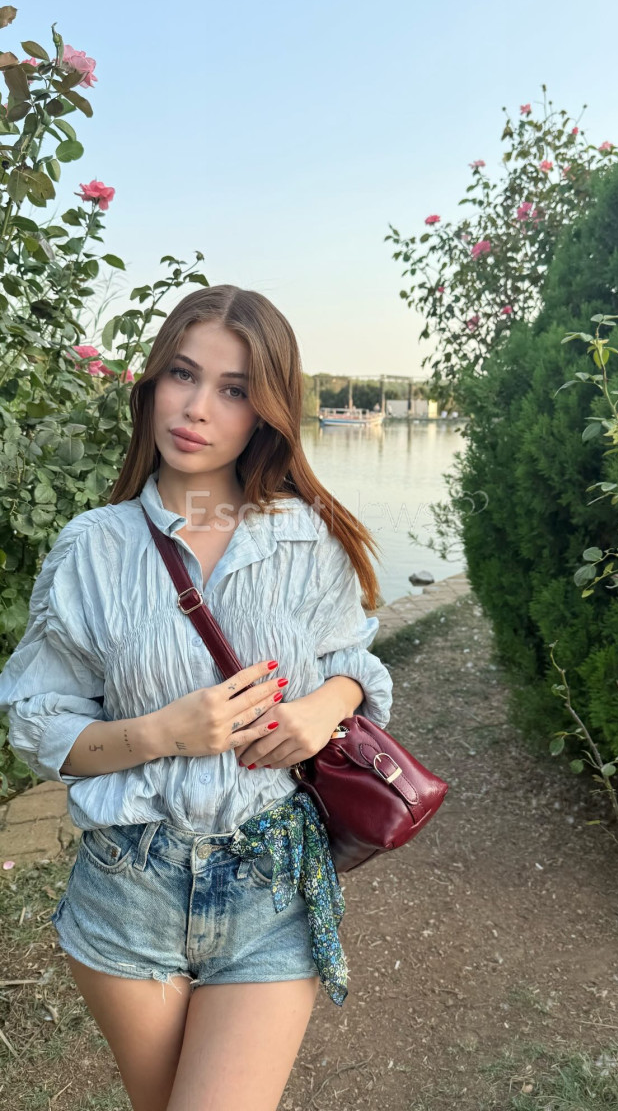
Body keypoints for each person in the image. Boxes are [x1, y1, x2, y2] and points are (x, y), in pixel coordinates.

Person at [0, 285, 393, 1111]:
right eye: (182, 374)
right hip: (128, 884)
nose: (196, 407)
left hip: (270, 881)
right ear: (152, 385)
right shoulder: (92, 549)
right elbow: (39, 725)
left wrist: (323, 708)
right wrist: (160, 732)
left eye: (233, 389)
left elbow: (353, 660)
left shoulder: (307, 537)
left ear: (267, 413)